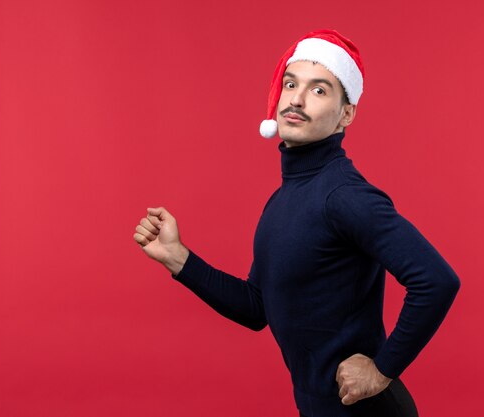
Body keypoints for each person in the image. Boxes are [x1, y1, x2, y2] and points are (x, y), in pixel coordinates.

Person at [133, 29, 460, 417]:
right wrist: (179, 259)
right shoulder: (283, 200)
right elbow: (258, 308)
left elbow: (437, 281)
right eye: (291, 84)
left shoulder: (344, 195)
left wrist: (382, 369)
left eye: (319, 90)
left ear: (347, 113)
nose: (298, 99)